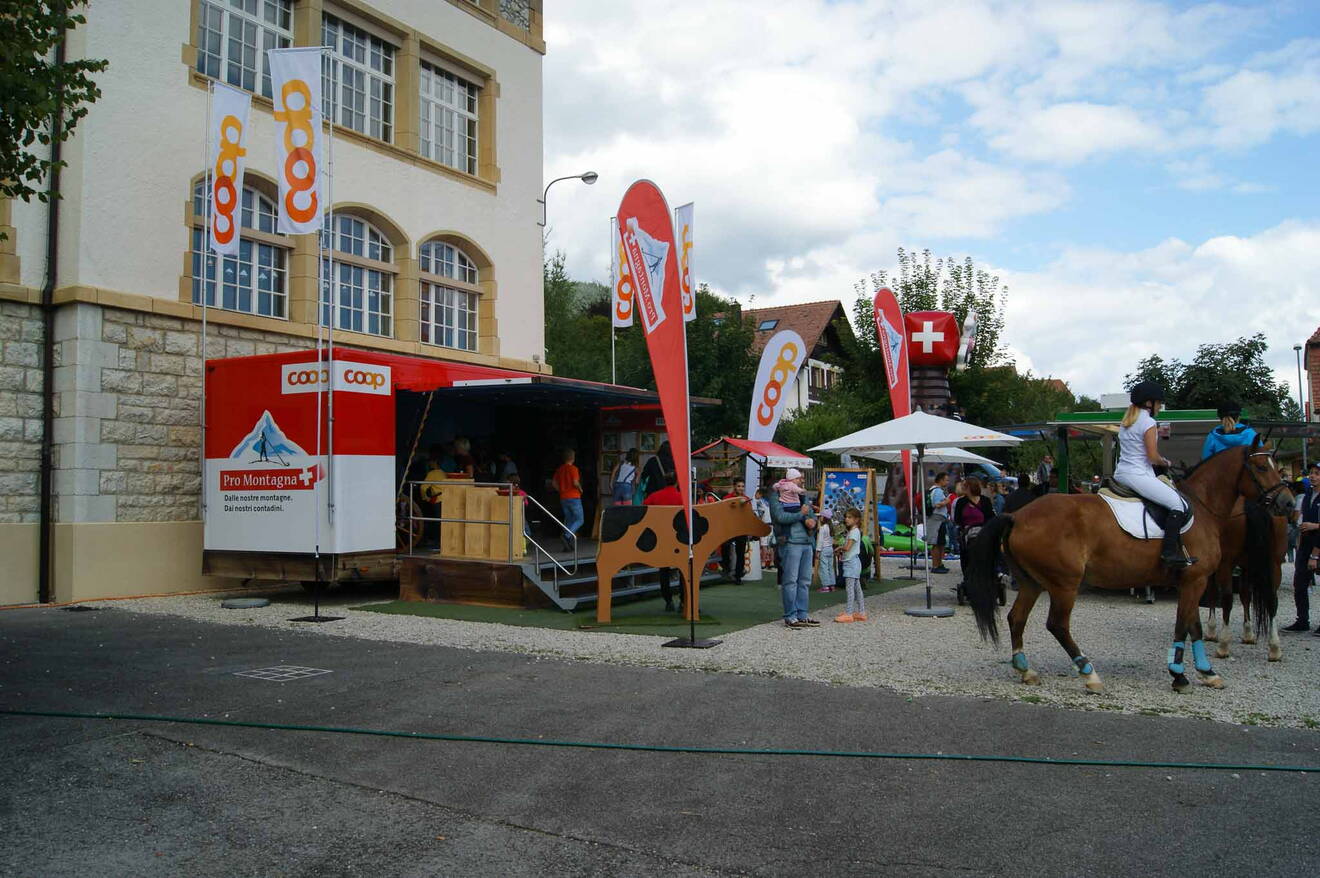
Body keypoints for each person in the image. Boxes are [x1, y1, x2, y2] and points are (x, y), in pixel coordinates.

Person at [1114, 381, 1193, 568]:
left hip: (1122, 473)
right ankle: (1169, 553)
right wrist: (1165, 461)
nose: (1159, 406)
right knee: (1177, 505)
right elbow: (1151, 456)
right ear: (1149, 403)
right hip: (1138, 474)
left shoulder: (1126, 422)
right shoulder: (1148, 422)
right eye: (1158, 403)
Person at [769, 487, 820, 629]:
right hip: (790, 542)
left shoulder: (802, 496)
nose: (802, 481)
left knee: (804, 581)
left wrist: (813, 522)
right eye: (799, 478)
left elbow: (811, 514)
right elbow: (780, 517)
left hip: (806, 542)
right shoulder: (777, 495)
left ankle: (802, 614)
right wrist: (801, 514)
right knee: (790, 581)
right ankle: (790, 615)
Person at [1283, 462, 1320, 633]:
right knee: (1299, 584)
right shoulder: (1307, 495)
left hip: (1317, 544)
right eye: (1311, 473)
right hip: (1305, 544)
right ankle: (1302, 620)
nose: (1313, 476)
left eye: (1317, 473)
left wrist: (1315, 526)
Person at [644, 473, 684, 612]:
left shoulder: (655, 496)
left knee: (664, 570)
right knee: (684, 570)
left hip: (660, 536)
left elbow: (644, 509)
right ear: (676, 482)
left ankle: (668, 601)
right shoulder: (681, 496)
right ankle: (684, 600)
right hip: (679, 537)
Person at [834, 508, 867, 623]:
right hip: (854, 562)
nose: (846, 519)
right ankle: (861, 612)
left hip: (851, 563)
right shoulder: (854, 531)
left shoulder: (854, 532)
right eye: (846, 517)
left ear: (856, 519)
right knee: (857, 588)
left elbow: (848, 548)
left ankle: (848, 613)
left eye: (849, 517)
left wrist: (839, 548)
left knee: (850, 589)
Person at [552, 448, 583, 551]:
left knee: (569, 520)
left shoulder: (560, 469)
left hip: (563, 497)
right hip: (574, 497)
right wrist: (580, 488)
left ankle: (567, 544)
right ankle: (567, 536)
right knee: (579, 519)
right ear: (573, 458)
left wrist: (561, 490)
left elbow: (554, 483)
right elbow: (575, 482)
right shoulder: (573, 469)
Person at [721, 478, 750, 583]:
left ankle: (738, 576)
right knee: (725, 546)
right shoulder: (727, 498)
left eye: (742, 486)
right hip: (729, 528)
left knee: (741, 553)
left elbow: (749, 515)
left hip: (741, 529)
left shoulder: (747, 499)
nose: (741, 488)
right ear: (734, 487)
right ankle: (726, 568)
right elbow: (723, 512)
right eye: (739, 486)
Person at [925, 472, 951, 573]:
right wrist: (946, 501)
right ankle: (936, 565)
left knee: (941, 542)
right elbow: (936, 504)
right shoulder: (938, 491)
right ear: (940, 480)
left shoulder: (933, 490)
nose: (948, 482)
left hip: (938, 519)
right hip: (937, 519)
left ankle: (939, 564)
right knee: (936, 543)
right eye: (946, 480)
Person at [753, 488, 774, 570]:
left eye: (756, 494)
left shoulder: (759, 502)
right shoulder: (767, 502)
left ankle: (763, 562)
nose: (755, 495)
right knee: (771, 545)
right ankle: (772, 562)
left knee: (764, 545)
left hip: (765, 525)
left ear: (759, 493)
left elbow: (760, 514)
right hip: (771, 524)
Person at [815, 509, 836, 592]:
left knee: (823, 568)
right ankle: (832, 585)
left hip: (824, 549)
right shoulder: (831, 527)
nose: (820, 518)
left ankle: (825, 586)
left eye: (821, 516)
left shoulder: (823, 528)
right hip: (830, 549)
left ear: (823, 518)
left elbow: (820, 541)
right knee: (830, 567)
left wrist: (818, 551)